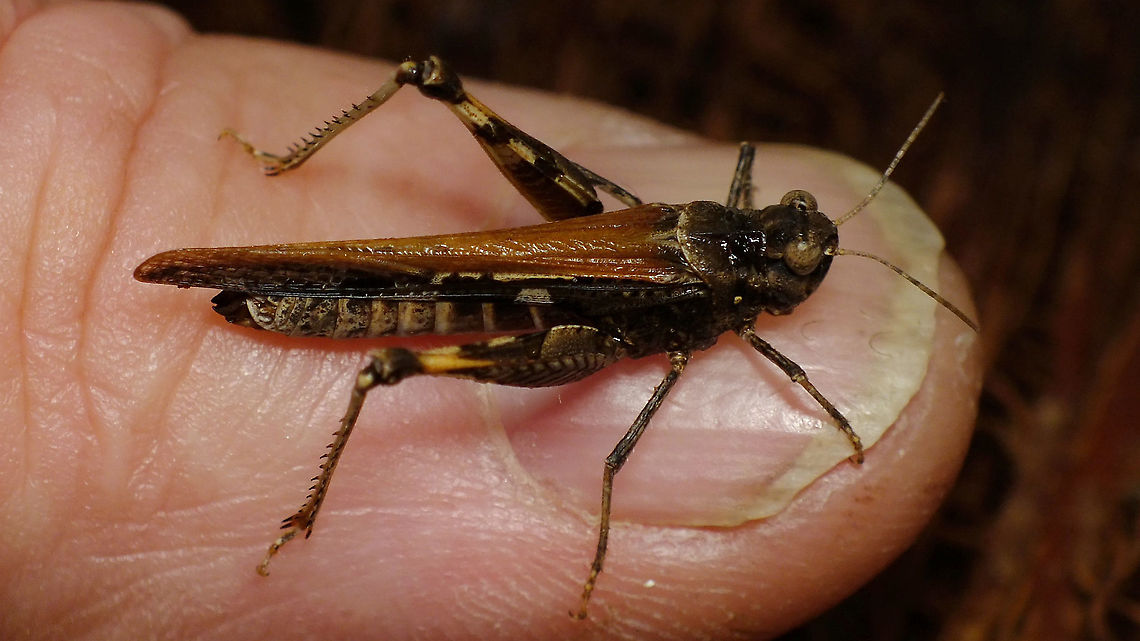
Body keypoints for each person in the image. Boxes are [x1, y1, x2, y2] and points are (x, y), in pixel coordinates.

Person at [0, 3, 980, 639]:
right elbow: (618, 451)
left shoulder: (730, 232)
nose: (796, 245)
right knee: (429, 126)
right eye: (794, 240)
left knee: (418, 315)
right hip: (554, 298)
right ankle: (301, 502)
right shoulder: (726, 298)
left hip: (585, 302)